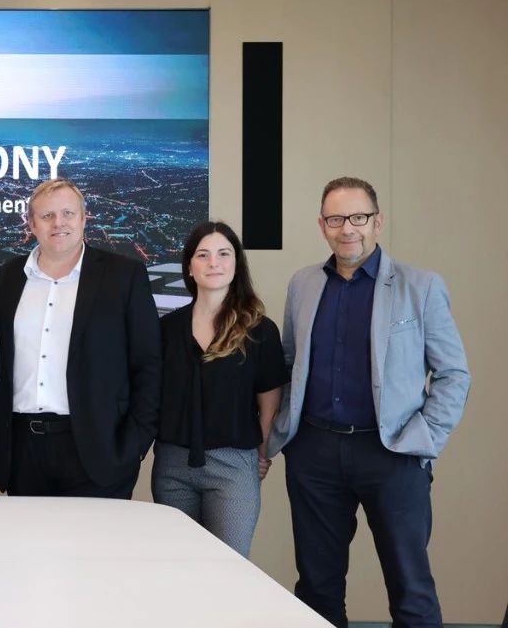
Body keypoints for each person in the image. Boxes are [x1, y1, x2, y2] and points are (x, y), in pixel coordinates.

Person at [270, 176, 470, 628]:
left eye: (358, 217)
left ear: (377, 222)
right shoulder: (303, 284)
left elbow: (454, 373)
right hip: (315, 454)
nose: (348, 228)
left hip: (392, 453)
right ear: (322, 226)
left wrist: (424, 438)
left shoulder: (421, 286)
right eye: (336, 219)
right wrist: (286, 434)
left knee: (411, 591)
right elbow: (288, 362)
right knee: (316, 589)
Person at [0, 178, 160, 498]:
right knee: (26, 534)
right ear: (31, 223)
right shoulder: (2, 281)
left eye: (67, 213)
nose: (58, 223)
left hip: (101, 448)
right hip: (22, 449)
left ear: (84, 218)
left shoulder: (124, 276)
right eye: (47, 215)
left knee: (95, 535)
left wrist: (134, 443)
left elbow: (148, 363)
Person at [151, 220, 285, 557]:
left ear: (236, 264)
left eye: (224, 254)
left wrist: (262, 453)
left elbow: (269, 402)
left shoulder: (260, 330)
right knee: (177, 568)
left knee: (229, 568)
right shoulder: (166, 329)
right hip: (172, 467)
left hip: (234, 467)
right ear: (189, 267)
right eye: (203, 255)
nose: (214, 263)